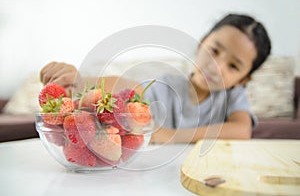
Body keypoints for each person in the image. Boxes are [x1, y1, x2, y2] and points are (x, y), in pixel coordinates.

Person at [40, 13, 271, 144]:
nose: (216, 66)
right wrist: (81, 82)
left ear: (243, 79)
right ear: (201, 43)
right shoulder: (169, 84)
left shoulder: (233, 95)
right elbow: (129, 89)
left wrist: (170, 135)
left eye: (233, 66)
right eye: (215, 50)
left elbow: (242, 130)